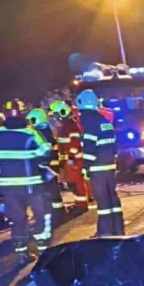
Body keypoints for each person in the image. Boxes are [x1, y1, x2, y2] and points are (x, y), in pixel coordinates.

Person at [0, 98, 53, 263]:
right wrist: (37, 165)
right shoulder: (30, 133)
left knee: (18, 219)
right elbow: (45, 154)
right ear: (22, 113)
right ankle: (44, 251)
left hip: (9, 187)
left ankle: (22, 253)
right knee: (41, 215)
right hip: (32, 184)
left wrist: (5, 175)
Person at [76, 90, 123, 235]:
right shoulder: (105, 122)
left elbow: (89, 147)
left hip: (97, 168)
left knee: (102, 201)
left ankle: (105, 232)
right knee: (112, 199)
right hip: (110, 166)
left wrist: (86, 167)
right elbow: (114, 146)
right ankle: (118, 229)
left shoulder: (89, 123)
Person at [49, 100, 89, 214]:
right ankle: (79, 204)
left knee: (76, 183)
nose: (56, 117)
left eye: (56, 114)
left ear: (62, 112)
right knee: (72, 184)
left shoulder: (71, 125)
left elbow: (74, 143)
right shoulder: (65, 125)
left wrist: (71, 158)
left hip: (74, 160)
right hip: (69, 160)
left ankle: (82, 206)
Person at [27, 108, 65, 223]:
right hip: (50, 163)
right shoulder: (47, 129)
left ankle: (56, 214)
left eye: (32, 119)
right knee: (52, 190)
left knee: (49, 190)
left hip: (46, 164)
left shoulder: (40, 132)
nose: (30, 122)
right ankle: (58, 211)